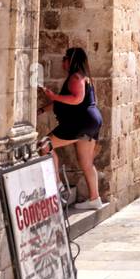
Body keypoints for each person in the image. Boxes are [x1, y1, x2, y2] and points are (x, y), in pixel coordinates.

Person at [38, 47, 106, 211]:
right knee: (86, 162)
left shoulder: (75, 78)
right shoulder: (84, 77)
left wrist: (54, 96)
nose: (62, 61)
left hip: (81, 123)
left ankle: (58, 184)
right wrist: (42, 110)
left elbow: (76, 99)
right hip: (91, 122)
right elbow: (64, 101)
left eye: (64, 58)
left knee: (44, 146)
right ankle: (95, 198)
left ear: (71, 60)